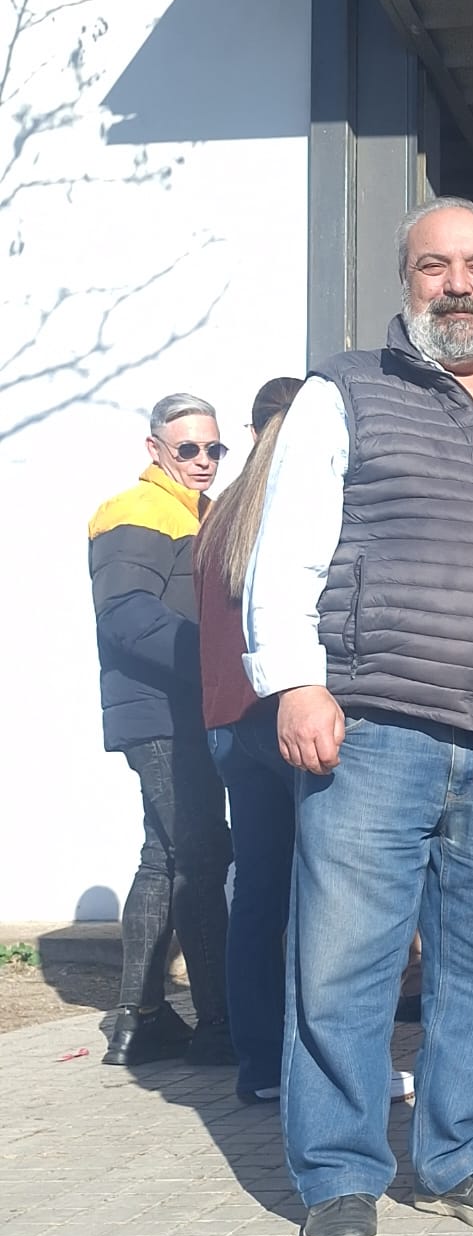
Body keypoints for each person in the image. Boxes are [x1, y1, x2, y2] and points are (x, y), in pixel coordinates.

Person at [243, 196, 473, 1236]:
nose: (457, 284)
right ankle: (340, 1173)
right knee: (344, 962)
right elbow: (286, 545)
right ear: (405, 281)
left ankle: (458, 1157)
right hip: (374, 723)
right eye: (434, 265)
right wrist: (295, 681)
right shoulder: (343, 391)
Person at [88, 393, 234, 1068]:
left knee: (167, 857)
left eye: (213, 448)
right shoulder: (136, 511)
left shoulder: (194, 513)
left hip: (175, 709)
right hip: (162, 713)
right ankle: (219, 1026)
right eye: (188, 449)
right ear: (155, 449)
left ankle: (138, 1020)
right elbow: (124, 614)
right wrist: (215, 661)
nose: (203, 461)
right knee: (202, 857)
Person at [194, 376, 302, 1102]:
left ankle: (259, 1064)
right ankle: (313, 1067)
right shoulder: (285, 505)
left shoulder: (220, 512)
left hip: (227, 725)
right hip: (279, 714)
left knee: (260, 893)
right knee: (322, 895)